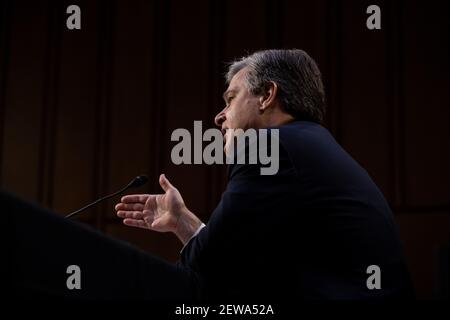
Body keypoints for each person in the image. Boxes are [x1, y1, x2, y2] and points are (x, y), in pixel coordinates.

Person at [115, 49, 415, 300]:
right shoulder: (309, 147)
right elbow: (238, 262)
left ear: (267, 95)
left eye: (231, 98)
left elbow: (213, 264)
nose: (219, 116)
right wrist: (184, 223)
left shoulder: (270, 146)